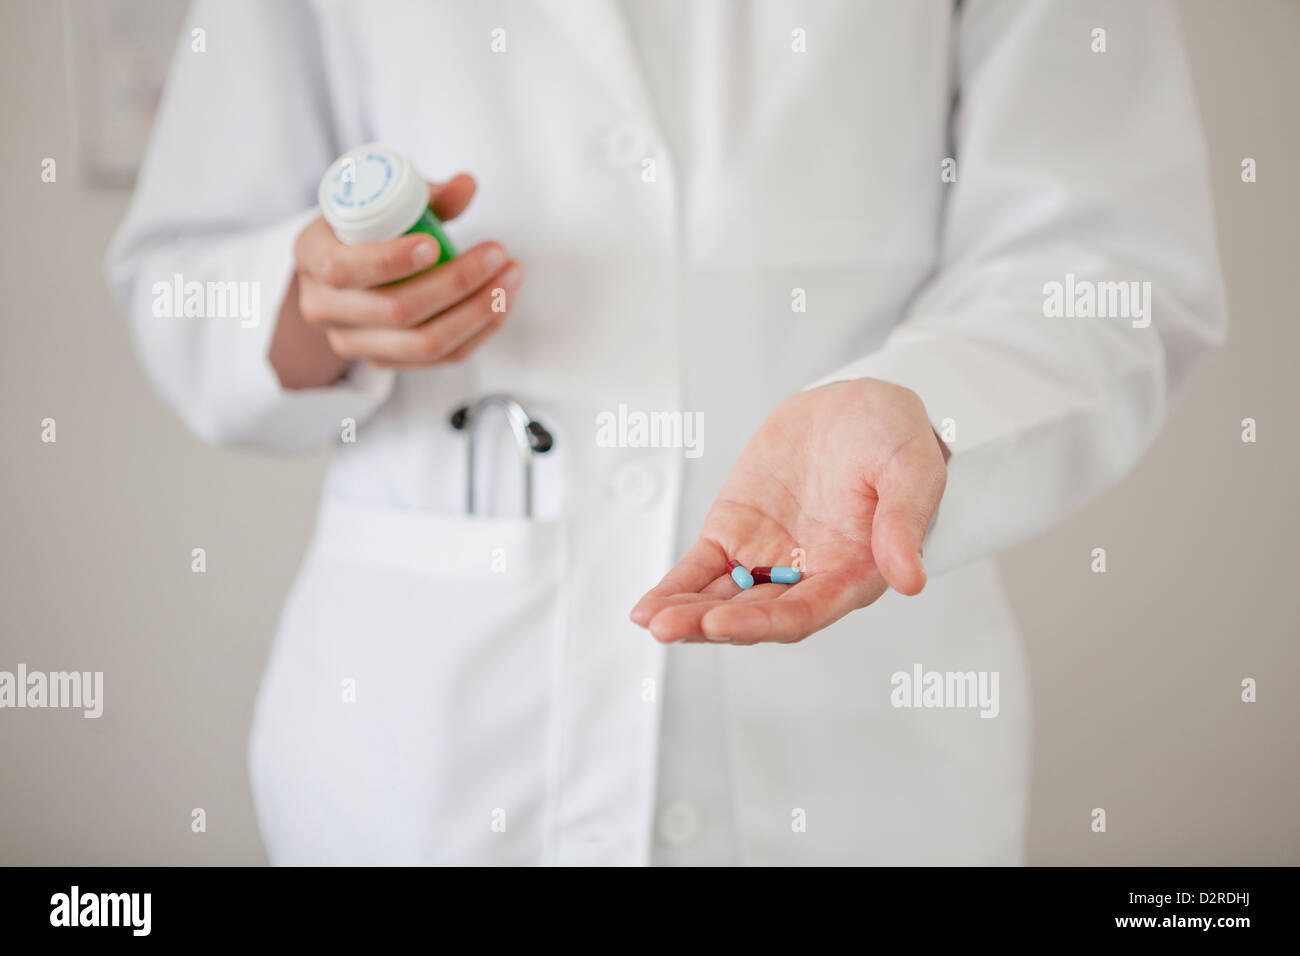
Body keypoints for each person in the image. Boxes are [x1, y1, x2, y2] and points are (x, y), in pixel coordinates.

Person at [106, 0, 1226, 865]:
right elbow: (183, 270)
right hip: (423, 744)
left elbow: (1106, 258)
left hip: (852, 750)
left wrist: (928, 401)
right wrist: (318, 305)